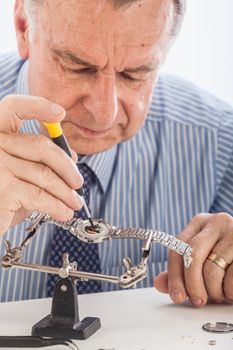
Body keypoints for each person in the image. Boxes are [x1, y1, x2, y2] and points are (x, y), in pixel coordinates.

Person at [1, 0, 233, 307]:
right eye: (77, 67)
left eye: (136, 74)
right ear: (23, 27)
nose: (104, 113)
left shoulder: (219, 141)